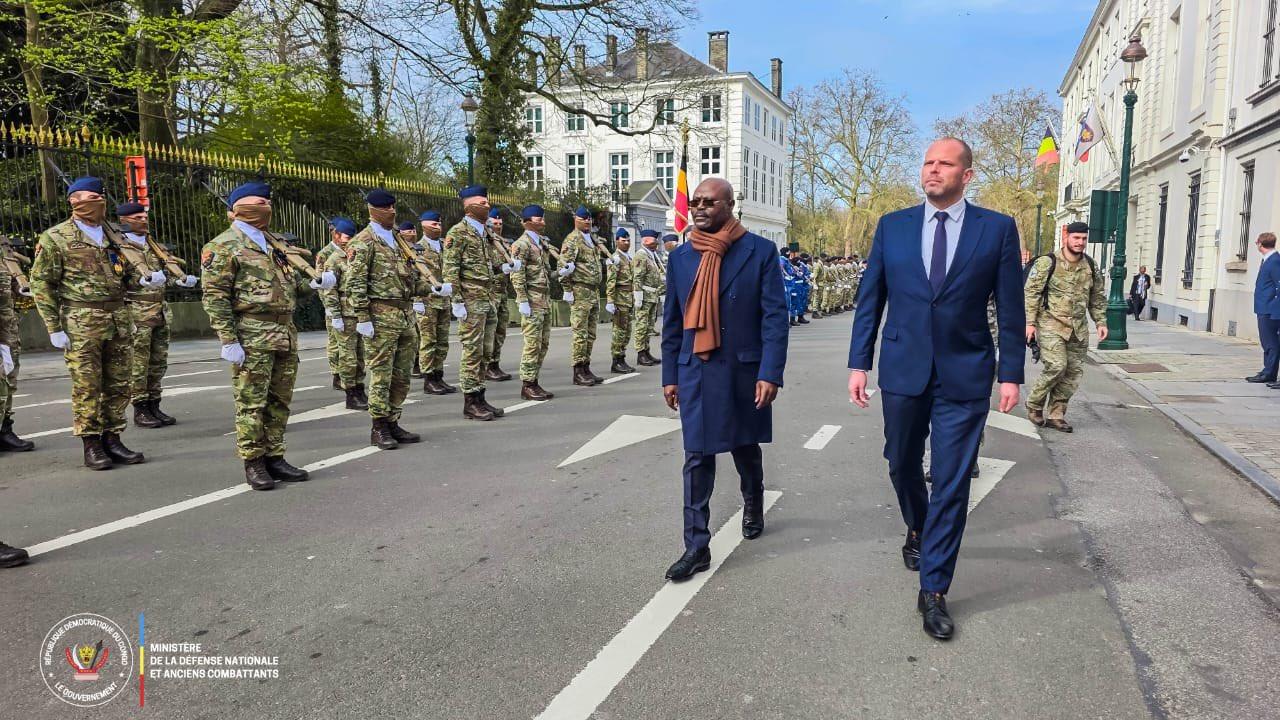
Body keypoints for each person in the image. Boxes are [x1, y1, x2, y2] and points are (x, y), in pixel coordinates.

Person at [848, 138, 1025, 641]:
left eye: (944, 164)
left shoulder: (997, 230)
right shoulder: (893, 227)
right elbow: (870, 301)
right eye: (928, 162)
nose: (933, 170)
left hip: (964, 374)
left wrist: (1009, 372)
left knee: (951, 479)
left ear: (966, 176)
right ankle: (918, 524)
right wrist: (859, 362)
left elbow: (1011, 309)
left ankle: (934, 588)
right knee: (901, 462)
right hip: (903, 369)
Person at [661, 178, 789, 582]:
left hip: (742, 371)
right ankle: (696, 545)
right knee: (697, 456)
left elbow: (774, 317)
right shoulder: (681, 257)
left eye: (709, 202)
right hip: (696, 368)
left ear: (731, 205)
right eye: (695, 202)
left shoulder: (760, 251)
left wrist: (770, 371)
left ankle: (753, 501)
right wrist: (670, 375)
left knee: (744, 447)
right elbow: (673, 322)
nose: (699, 208)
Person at [200, 181, 336, 489]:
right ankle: (254, 461)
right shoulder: (222, 246)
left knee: (280, 400)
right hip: (251, 332)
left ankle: (275, 455)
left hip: (285, 331)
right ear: (236, 209)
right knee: (252, 401)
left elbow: (291, 290)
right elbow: (215, 296)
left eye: (265, 202)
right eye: (254, 201)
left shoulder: (276, 246)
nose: (262, 206)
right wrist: (228, 339)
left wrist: (314, 284)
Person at [31, 176, 156, 470]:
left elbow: (126, 275)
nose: (94, 202)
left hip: (118, 318)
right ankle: (91, 443)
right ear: (72, 201)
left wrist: (145, 278)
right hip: (81, 320)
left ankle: (113, 438)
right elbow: (42, 283)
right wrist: (53, 326)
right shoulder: (56, 237)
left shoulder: (116, 236)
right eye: (86, 197)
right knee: (87, 385)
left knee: (118, 384)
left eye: (98, 196)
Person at [346, 192, 429, 449]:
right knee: (381, 373)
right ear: (372, 210)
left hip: (404, 313)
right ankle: (379, 425)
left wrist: (430, 288)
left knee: (402, 374)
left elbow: (410, 276)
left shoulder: (397, 240)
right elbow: (355, 282)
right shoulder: (363, 242)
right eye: (385, 207)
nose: (391, 211)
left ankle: (393, 419)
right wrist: (362, 316)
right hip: (380, 315)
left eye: (393, 207)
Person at [114, 202, 198, 428]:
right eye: (137, 217)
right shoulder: (119, 248)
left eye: (144, 216)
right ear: (124, 220)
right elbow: (114, 279)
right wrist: (139, 280)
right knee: (139, 363)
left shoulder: (154, 246)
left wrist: (180, 281)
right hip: (136, 312)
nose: (143, 219)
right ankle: (140, 407)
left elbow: (163, 277)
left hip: (159, 310)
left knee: (158, 361)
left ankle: (154, 404)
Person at [1024, 222, 1107, 432]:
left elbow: (1096, 296)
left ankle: (1056, 414)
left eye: (1083, 239)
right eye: (1076, 238)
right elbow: (1031, 293)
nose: (1080, 242)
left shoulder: (1090, 265)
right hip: (1051, 324)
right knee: (1056, 365)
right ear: (1066, 237)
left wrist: (1100, 321)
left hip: (1078, 328)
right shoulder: (1047, 263)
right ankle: (1034, 403)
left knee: (1072, 373)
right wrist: (1030, 323)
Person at [443, 186, 506, 420]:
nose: (487, 206)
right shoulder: (458, 233)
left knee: (486, 351)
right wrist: (456, 301)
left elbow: (490, 263)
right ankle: (470, 400)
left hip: (487, 298)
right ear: (468, 206)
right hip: (470, 300)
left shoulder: (485, 233)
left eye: (487, 202)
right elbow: (451, 269)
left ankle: (480, 396)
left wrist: (503, 267)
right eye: (481, 202)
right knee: (472, 351)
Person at [319, 217, 367, 410]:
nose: (349, 240)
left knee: (360, 354)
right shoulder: (333, 260)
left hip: (358, 313)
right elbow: (328, 289)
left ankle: (360, 387)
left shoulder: (355, 255)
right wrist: (335, 314)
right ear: (336, 236)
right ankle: (350, 392)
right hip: (344, 314)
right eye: (346, 236)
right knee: (347, 356)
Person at [509, 205, 556, 400]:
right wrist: (522, 300)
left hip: (544, 299)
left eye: (543, 218)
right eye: (538, 219)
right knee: (532, 344)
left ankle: (534, 381)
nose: (542, 222)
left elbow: (543, 273)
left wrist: (560, 273)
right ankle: (527, 384)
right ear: (527, 221)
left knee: (543, 344)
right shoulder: (522, 244)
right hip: (532, 300)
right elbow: (517, 273)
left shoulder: (541, 244)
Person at [560, 206, 607, 386]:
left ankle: (586, 366)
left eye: (589, 219)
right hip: (580, 291)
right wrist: (567, 290)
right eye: (583, 218)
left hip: (593, 291)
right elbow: (563, 267)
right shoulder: (572, 240)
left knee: (590, 333)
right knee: (580, 333)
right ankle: (578, 370)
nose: (587, 221)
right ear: (576, 220)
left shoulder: (592, 239)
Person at [415, 211, 456, 395]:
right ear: (423, 225)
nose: (437, 227)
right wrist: (417, 300)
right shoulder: (416, 248)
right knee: (428, 341)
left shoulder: (445, 245)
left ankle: (438, 375)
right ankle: (429, 378)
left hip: (444, 300)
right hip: (427, 301)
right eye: (433, 224)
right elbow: (413, 276)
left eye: (439, 224)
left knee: (442, 341)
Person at [0, 239, 33, 452]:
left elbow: (17, 288)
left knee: (8, 377)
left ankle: (4, 429)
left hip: (7, 327)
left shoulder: (5, 253)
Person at [484, 208, 515, 382]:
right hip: (491, 292)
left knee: (501, 331)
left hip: (502, 292)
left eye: (500, 224)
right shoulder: (485, 243)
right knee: (490, 332)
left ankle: (495, 363)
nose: (498, 226)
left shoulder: (502, 242)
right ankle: (487, 365)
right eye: (494, 224)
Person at [315, 225, 347, 390]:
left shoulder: (349, 251)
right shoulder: (325, 253)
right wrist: (328, 307)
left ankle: (346, 373)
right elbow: (322, 282)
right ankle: (337, 374)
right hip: (332, 304)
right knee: (335, 342)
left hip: (347, 307)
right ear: (335, 234)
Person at [1249, 232, 1280, 385]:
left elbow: (1278, 284)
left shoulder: (1274, 261)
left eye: (1257, 242)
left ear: (1261, 244)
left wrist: (1275, 306)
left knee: (1270, 342)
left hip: (1270, 308)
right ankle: (1267, 370)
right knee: (1266, 342)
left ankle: (1269, 373)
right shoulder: (1268, 260)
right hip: (1264, 307)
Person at [605, 228, 636, 374]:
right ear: (617, 241)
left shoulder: (628, 257)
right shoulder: (615, 258)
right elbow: (611, 281)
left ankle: (622, 358)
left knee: (627, 331)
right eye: (624, 240)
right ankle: (616, 361)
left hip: (628, 298)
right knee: (619, 331)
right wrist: (610, 300)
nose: (627, 243)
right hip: (619, 299)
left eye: (628, 240)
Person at [632, 231, 666, 366]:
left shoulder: (652, 255)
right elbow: (638, 277)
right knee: (642, 326)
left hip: (652, 296)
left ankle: (646, 351)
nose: (656, 242)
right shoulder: (641, 256)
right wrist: (638, 296)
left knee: (649, 326)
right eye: (654, 240)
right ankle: (640, 353)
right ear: (645, 240)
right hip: (644, 296)